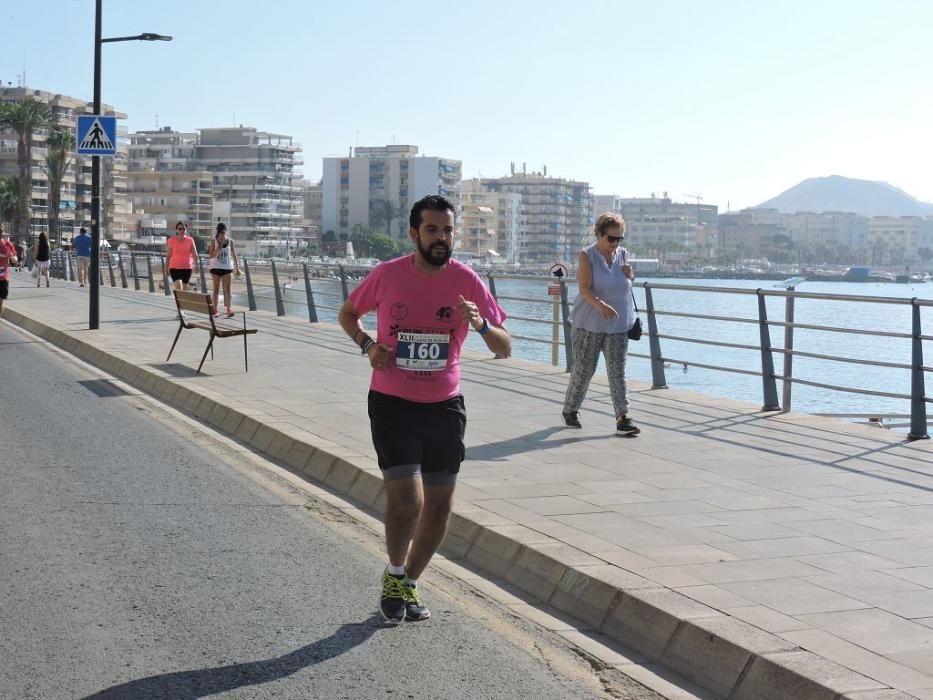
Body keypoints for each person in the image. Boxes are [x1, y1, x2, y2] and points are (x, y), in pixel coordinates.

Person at [337, 194, 511, 624]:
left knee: (439, 507)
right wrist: (368, 345)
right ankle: (396, 572)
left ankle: (407, 581)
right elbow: (347, 313)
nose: (441, 237)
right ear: (415, 233)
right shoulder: (387, 274)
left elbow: (504, 347)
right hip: (393, 402)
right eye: (432, 229)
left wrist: (481, 323)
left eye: (447, 230)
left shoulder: (467, 280)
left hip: (445, 407)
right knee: (406, 501)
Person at [561, 212, 640, 436]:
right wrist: (601, 306)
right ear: (599, 235)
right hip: (589, 324)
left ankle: (623, 418)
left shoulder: (623, 255)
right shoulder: (587, 256)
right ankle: (570, 409)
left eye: (619, 239)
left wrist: (631, 275)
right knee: (585, 370)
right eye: (611, 238)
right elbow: (584, 289)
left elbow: (626, 283)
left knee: (617, 371)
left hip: (618, 325)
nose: (615, 244)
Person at [207, 222, 240, 317]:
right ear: (218, 231)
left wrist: (237, 267)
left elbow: (234, 255)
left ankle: (229, 309)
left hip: (227, 267)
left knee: (228, 289)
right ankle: (215, 309)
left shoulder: (230, 241)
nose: (222, 234)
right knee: (216, 289)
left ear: (225, 231)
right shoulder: (214, 241)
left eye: (223, 232)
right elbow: (211, 255)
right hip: (215, 267)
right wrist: (217, 250)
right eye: (220, 232)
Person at [165, 221, 198, 291]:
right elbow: (168, 256)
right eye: (180, 229)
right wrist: (166, 268)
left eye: (184, 229)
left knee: (185, 290)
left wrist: (197, 266)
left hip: (187, 268)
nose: (182, 230)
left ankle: (182, 302)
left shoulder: (190, 240)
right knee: (179, 288)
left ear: (186, 230)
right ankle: (178, 301)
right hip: (174, 268)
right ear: (177, 230)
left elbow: (195, 254)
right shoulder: (172, 240)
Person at [0, 225, 19, 317]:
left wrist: (14, 259)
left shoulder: (8, 245)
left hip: (3, 277)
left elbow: (14, 257)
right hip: (3, 276)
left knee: (1, 300)